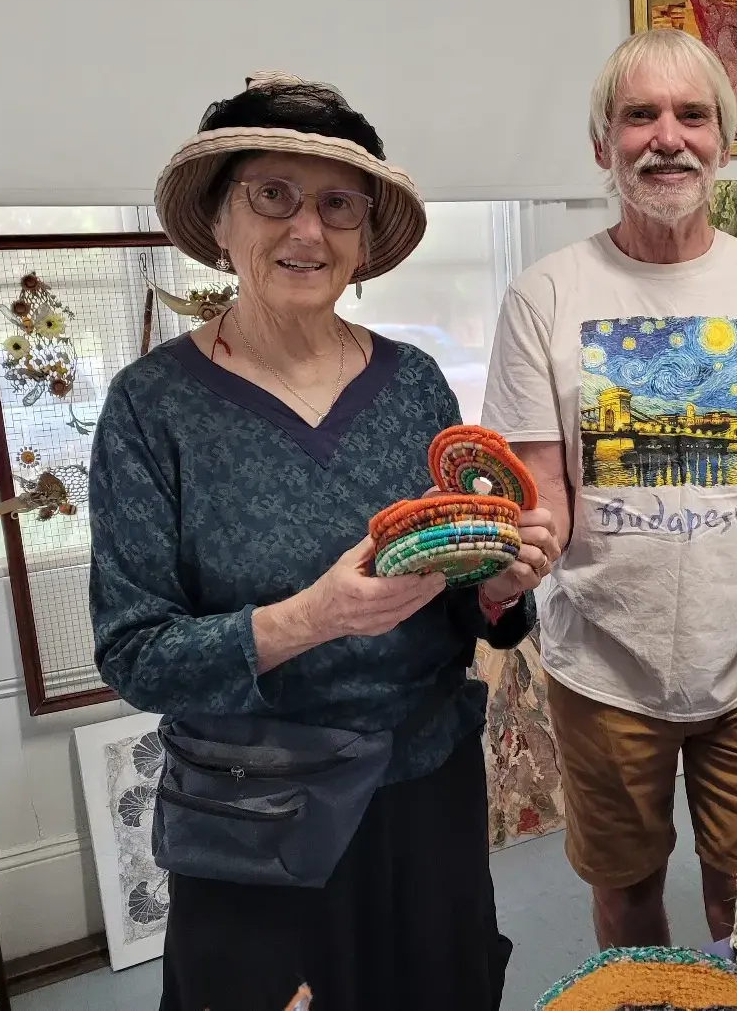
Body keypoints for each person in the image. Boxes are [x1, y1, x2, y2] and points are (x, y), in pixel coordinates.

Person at [89, 72, 558, 1011]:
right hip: (258, 813)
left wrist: (501, 586)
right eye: (274, 196)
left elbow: (462, 592)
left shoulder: (414, 381)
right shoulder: (154, 407)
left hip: (426, 791)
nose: (308, 230)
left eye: (337, 206)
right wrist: (309, 618)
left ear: (363, 241)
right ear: (221, 223)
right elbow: (134, 653)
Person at [480, 29, 737, 949]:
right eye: (639, 115)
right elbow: (541, 495)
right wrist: (497, 569)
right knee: (627, 900)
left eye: (690, 114)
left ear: (725, 139)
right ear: (603, 145)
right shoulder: (546, 296)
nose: (666, 136)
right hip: (603, 666)